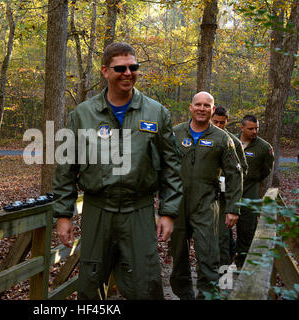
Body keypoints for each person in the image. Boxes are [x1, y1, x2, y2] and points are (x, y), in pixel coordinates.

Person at [52, 42, 183, 300]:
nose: (127, 73)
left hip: (139, 210)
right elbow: (65, 168)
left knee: (146, 283)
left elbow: (172, 167)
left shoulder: (156, 113)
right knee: (91, 283)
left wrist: (168, 212)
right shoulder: (82, 114)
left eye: (133, 67)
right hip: (97, 209)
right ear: (105, 71)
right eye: (120, 68)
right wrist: (63, 215)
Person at [170, 92, 243, 300]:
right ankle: (184, 295)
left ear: (212, 110)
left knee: (208, 256)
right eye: (198, 104)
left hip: (206, 204)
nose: (202, 109)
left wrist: (232, 208)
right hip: (177, 205)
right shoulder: (176, 133)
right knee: (179, 256)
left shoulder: (222, 138)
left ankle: (206, 296)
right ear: (191, 107)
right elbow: (162, 166)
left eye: (207, 105)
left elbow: (235, 174)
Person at [234, 115, 274, 268]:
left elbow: (266, 169)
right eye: (251, 128)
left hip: (250, 191)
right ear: (242, 127)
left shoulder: (264, 147)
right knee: (223, 228)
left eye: (256, 128)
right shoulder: (231, 140)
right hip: (229, 191)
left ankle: (242, 263)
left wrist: (253, 178)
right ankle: (228, 254)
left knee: (247, 228)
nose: (254, 131)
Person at [211, 106, 248, 266]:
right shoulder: (204, 137)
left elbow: (242, 170)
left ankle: (223, 278)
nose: (219, 125)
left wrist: (225, 181)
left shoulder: (234, 142)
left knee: (222, 238)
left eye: (222, 122)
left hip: (224, 197)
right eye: (215, 122)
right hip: (204, 196)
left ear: (227, 121)